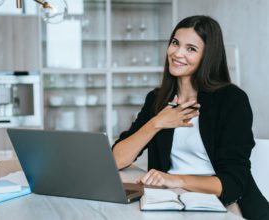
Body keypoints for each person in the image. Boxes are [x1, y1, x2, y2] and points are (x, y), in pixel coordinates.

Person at [112, 15, 269, 220]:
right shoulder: (157, 99)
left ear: (207, 57)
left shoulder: (231, 100)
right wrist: (157, 122)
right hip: (171, 203)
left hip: (225, 205)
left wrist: (176, 180)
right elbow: (117, 160)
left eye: (191, 49)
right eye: (175, 43)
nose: (177, 53)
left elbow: (232, 183)